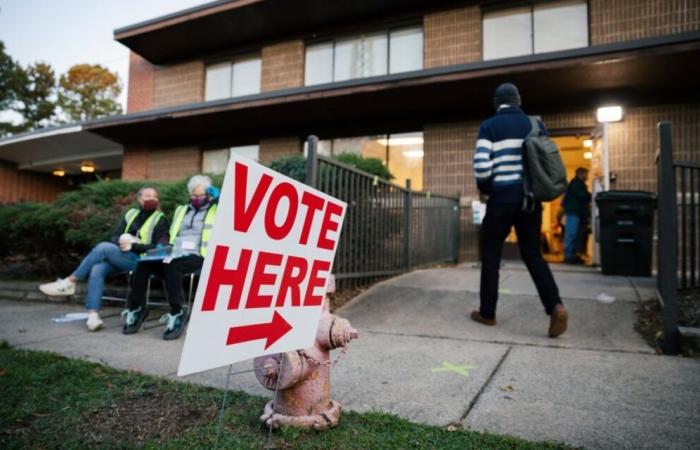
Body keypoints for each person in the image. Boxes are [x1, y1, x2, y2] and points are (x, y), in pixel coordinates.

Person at [471, 82, 568, 338]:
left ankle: (488, 313)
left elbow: (481, 166)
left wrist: (487, 187)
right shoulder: (534, 124)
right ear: (518, 101)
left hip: (501, 198)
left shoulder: (489, 126)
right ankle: (555, 306)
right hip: (530, 201)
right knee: (533, 255)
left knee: (491, 254)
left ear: (497, 102)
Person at [39, 186, 168, 331]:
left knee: (103, 247)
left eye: (155, 196)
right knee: (97, 268)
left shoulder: (160, 219)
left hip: (143, 262)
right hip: (123, 256)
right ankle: (93, 316)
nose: (152, 199)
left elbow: (160, 247)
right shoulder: (131, 214)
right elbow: (114, 235)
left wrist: (134, 246)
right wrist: (121, 242)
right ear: (139, 199)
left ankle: (70, 281)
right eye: (147, 196)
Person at [122, 175, 219, 340]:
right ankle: (137, 308)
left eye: (201, 195)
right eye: (193, 195)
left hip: (200, 254)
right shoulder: (182, 210)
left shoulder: (216, 209)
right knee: (143, 263)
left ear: (209, 195)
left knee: (171, 266)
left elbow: (234, 210)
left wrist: (219, 198)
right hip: (175, 252)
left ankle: (177, 311)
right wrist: (162, 246)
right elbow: (171, 233)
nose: (196, 199)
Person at [563, 167, 591, 264]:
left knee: (573, 234)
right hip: (573, 213)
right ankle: (569, 256)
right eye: (586, 174)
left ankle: (571, 255)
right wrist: (589, 195)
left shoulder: (575, 183)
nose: (587, 176)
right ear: (581, 174)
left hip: (574, 212)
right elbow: (582, 196)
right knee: (572, 234)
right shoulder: (577, 183)